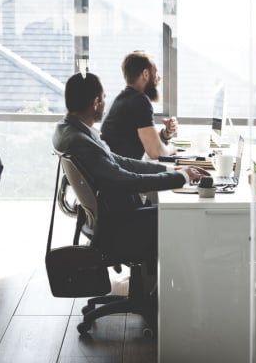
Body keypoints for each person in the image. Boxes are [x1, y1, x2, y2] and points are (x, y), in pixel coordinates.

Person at [53, 72, 207, 267]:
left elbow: (120, 161)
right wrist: (181, 177)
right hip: (117, 226)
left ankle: (159, 280)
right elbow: (128, 180)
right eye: (104, 98)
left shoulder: (68, 129)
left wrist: (169, 169)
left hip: (104, 218)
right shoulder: (81, 141)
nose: (105, 103)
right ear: (96, 102)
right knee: (182, 213)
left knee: (171, 208)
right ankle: (182, 282)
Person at [100, 51, 178, 160]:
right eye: (156, 73)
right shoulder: (139, 101)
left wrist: (166, 133)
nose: (159, 78)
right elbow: (156, 152)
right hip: (122, 169)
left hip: (116, 165)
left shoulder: (122, 99)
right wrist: (172, 148)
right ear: (145, 74)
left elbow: (145, 139)